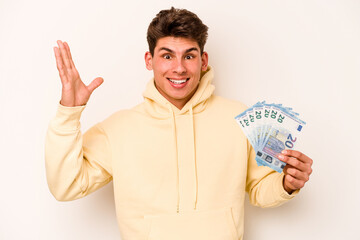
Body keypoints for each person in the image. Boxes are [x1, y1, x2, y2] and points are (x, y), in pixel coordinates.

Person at [45, 7, 313, 240]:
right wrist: (69, 111)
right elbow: (65, 186)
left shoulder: (239, 118)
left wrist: (287, 184)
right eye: (167, 56)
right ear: (149, 61)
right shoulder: (118, 128)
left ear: (203, 61)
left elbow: (260, 189)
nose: (179, 68)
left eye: (189, 55)